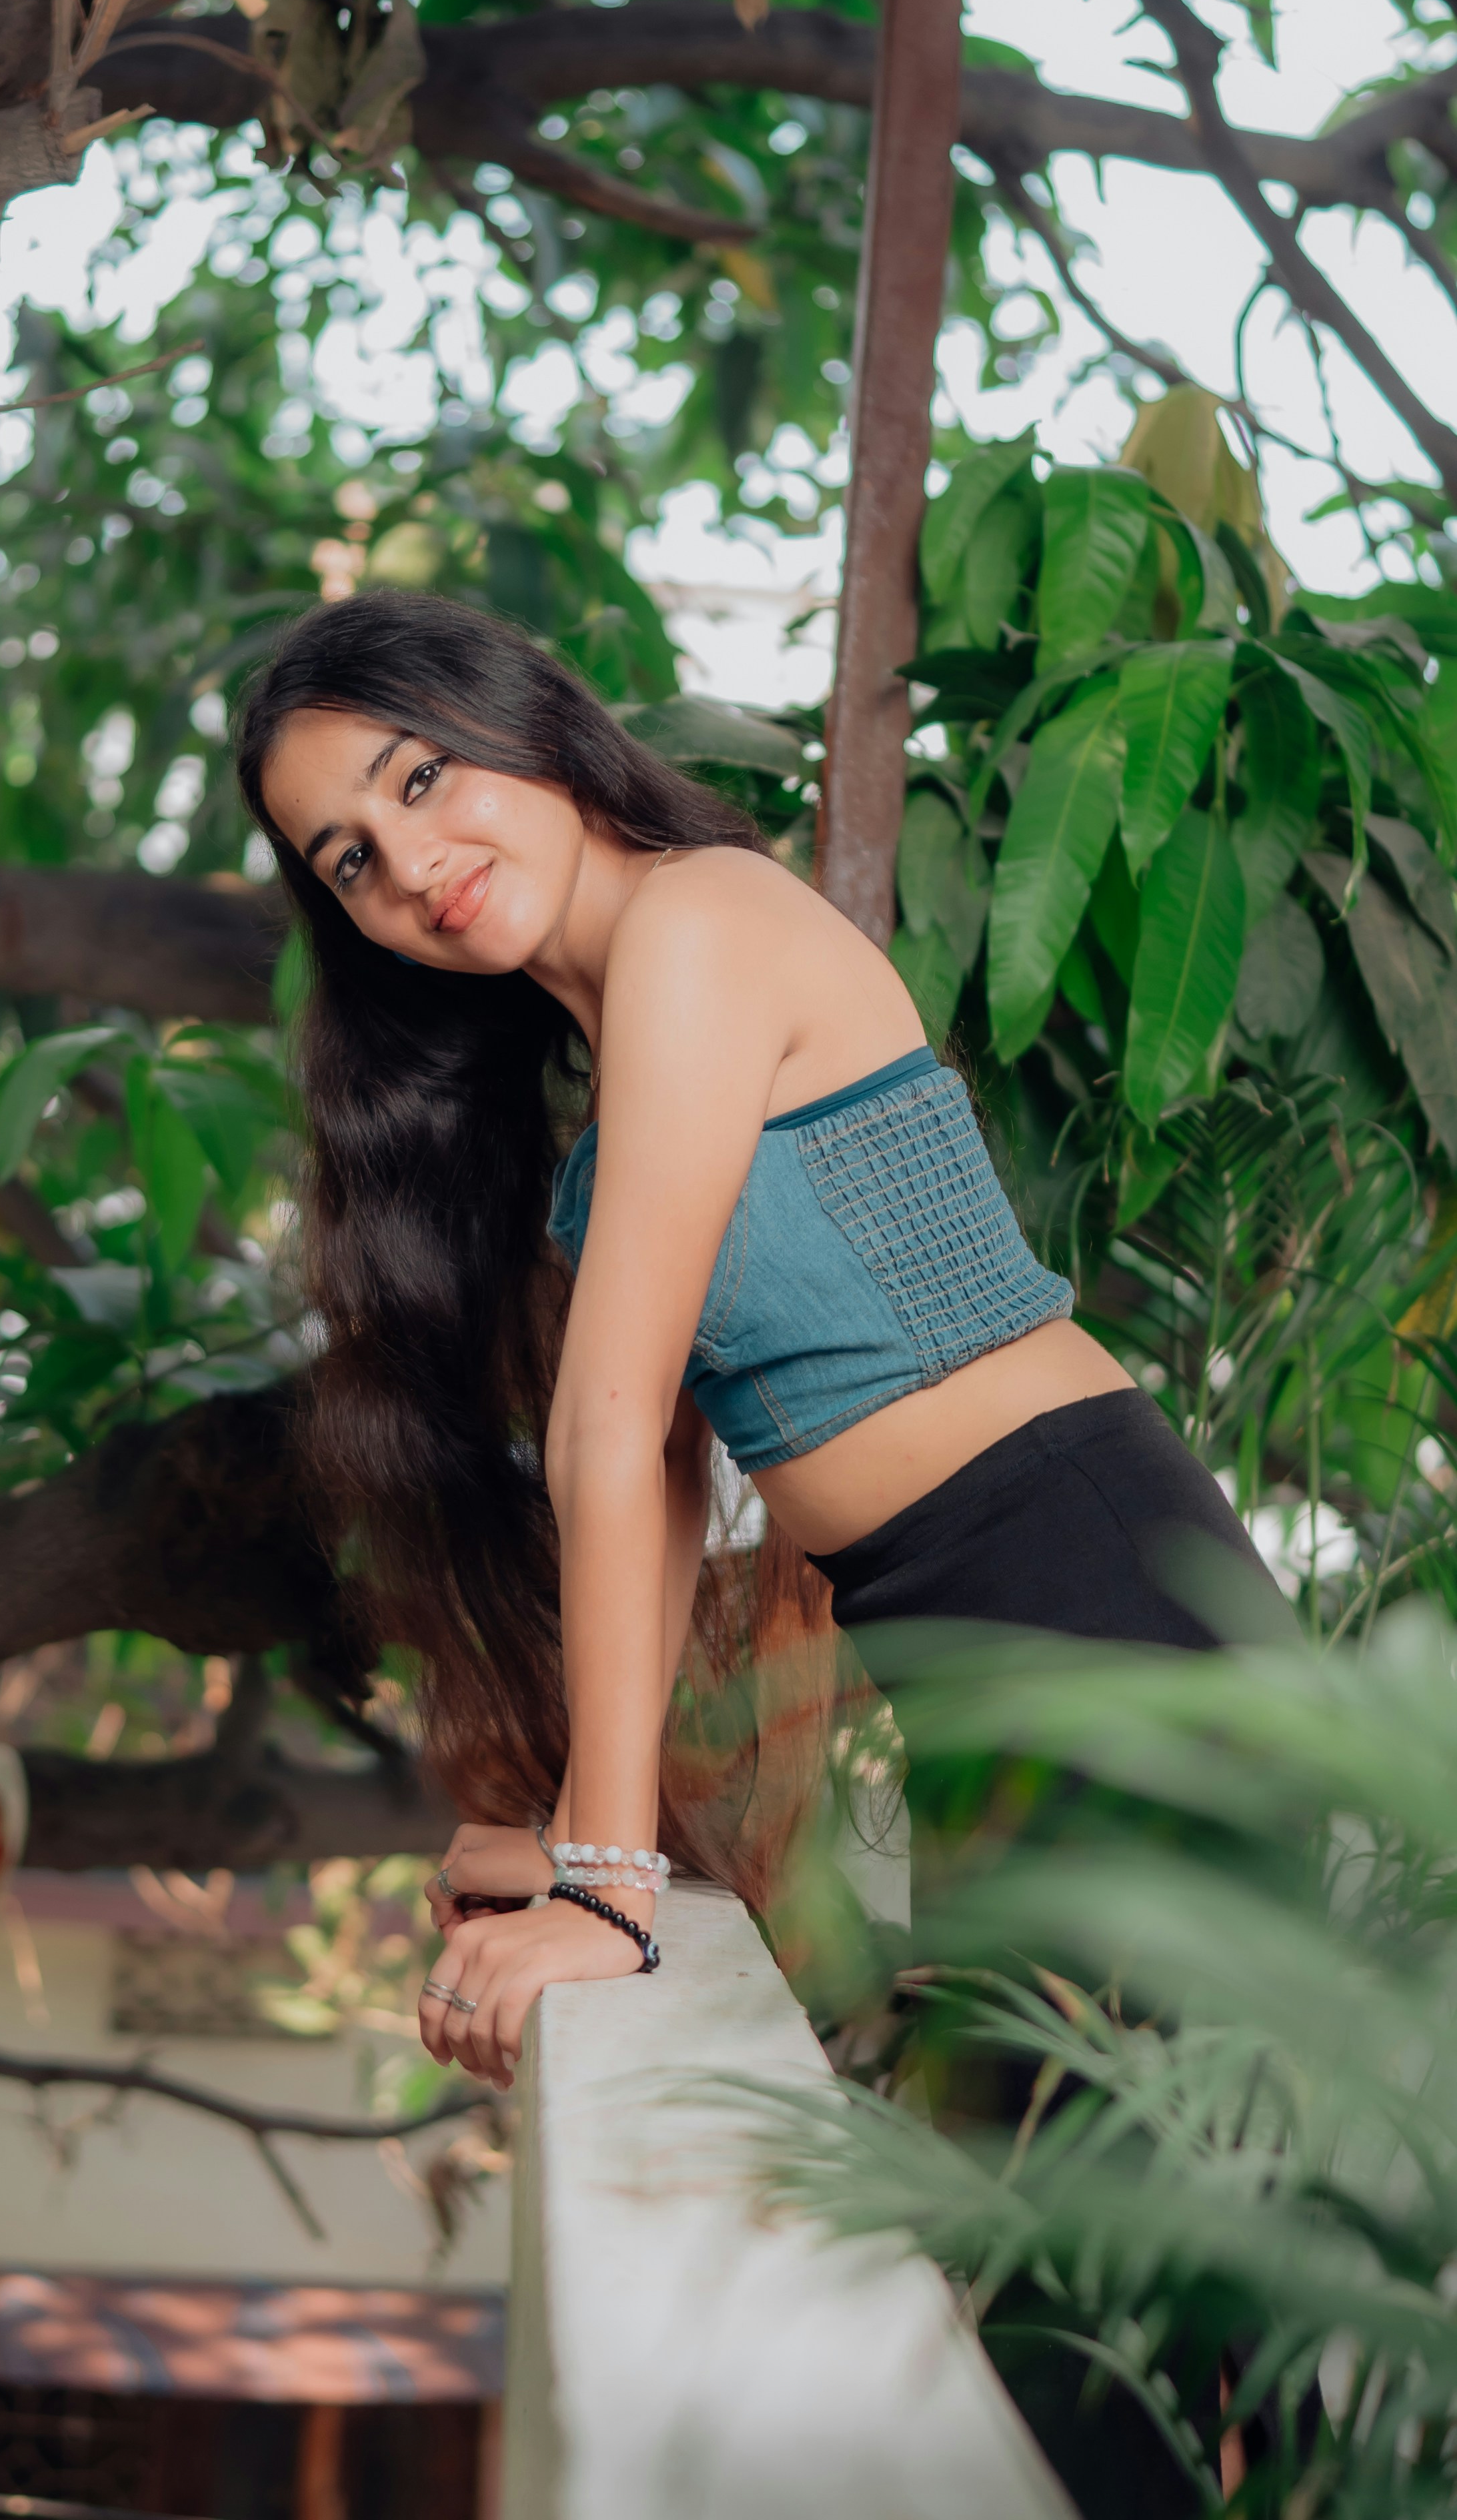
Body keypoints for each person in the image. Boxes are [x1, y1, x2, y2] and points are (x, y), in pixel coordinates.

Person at [235, 590, 1264, 2097]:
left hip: (1093, 1593)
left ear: (521, 723)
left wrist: (601, 1887)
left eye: (418, 777)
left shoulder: (698, 922)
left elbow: (602, 1417)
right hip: (981, 1654)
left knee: (1151, 2239)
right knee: (1071, 2234)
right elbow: (650, 1475)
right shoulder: (624, 1050)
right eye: (351, 861)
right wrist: (601, 1835)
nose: (409, 865)